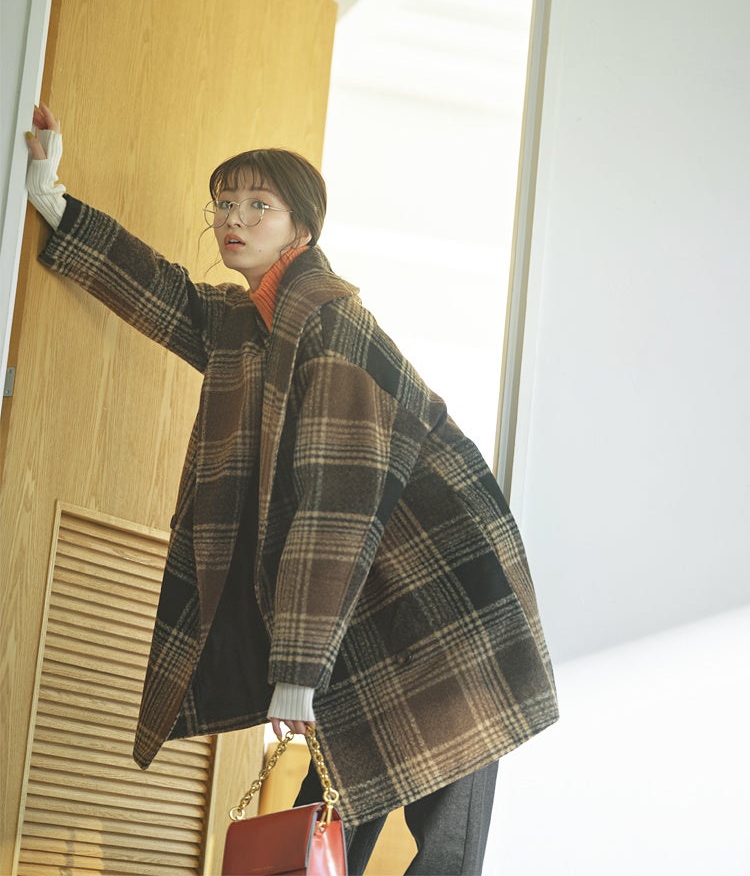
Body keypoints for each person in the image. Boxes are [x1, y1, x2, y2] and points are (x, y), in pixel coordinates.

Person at [25, 104, 559, 875]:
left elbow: (334, 511)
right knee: (320, 829)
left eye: (258, 205)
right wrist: (49, 196)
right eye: (223, 204)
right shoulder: (254, 329)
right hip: (370, 614)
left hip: (452, 617)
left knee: (441, 849)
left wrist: (297, 676)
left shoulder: (336, 329)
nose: (232, 219)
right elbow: (165, 295)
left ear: (301, 229)